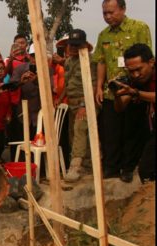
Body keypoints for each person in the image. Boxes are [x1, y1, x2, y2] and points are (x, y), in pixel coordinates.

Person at [93, 0, 152, 182]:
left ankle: (128, 168)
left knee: (131, 130)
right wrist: (99, 86)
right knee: (111, 131)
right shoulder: (103, 35)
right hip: (112, 92)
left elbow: (147, 57)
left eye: (111, 12)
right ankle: (111, 168)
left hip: (135, 89)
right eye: (104, 13)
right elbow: (101, 61)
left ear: (123, 9)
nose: (108, 16)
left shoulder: (139, 27)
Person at [113, 43, 155, 183]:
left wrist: (136, 93)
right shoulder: (134, 80)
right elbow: (120, 108)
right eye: (131, 71)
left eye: (139, 69)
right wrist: (117, 95)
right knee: (146, 170)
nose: (136, 75)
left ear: (151, 62)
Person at [61, 29, 97, 182]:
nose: (73, 48)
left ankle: (75, 167)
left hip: (87, 102)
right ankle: (86, 166)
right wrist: (60, 98)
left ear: (83, 45)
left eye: (77, 45)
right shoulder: (69, 61)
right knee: (74, 135)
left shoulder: (90, 61)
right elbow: (68, 83)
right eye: (71, 45)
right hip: (72, 104)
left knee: (80, 130)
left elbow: (94, 85)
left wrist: (84, 105)